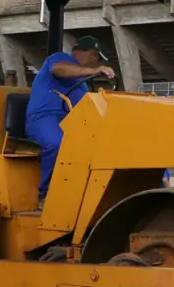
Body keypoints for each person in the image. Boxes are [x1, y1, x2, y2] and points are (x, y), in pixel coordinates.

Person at [25, 36, 116, 207]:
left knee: (104, 143)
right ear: (89, 53)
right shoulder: (60, 59)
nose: (94, 63)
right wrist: (95, 70)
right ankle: (47, 194)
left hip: (73, 120)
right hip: (44, 117)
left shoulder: (81, 82)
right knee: (57, 143)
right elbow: (59, 69)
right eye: (96, 58)